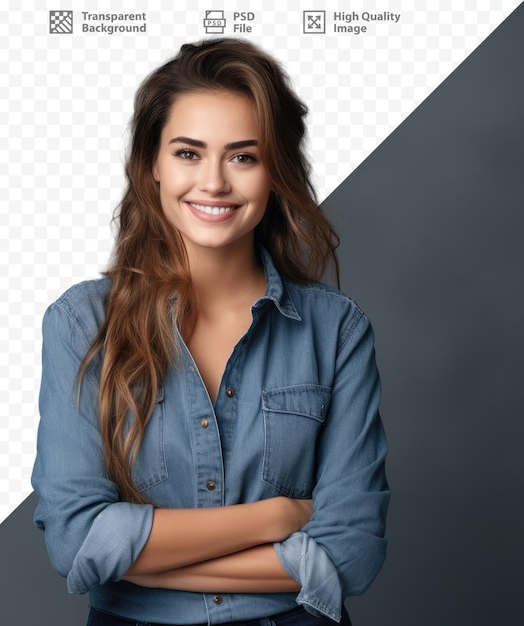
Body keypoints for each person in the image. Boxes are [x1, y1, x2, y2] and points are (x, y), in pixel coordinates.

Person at [31, 38, 389, 626]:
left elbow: (351, 552)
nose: (215, 182)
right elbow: (76, 541)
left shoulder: (336, 331)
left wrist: (132, 557)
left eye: (243, 156)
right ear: (152, 164)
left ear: (276, 172)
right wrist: (275, 521)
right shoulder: (81, 324)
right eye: (189, 153)